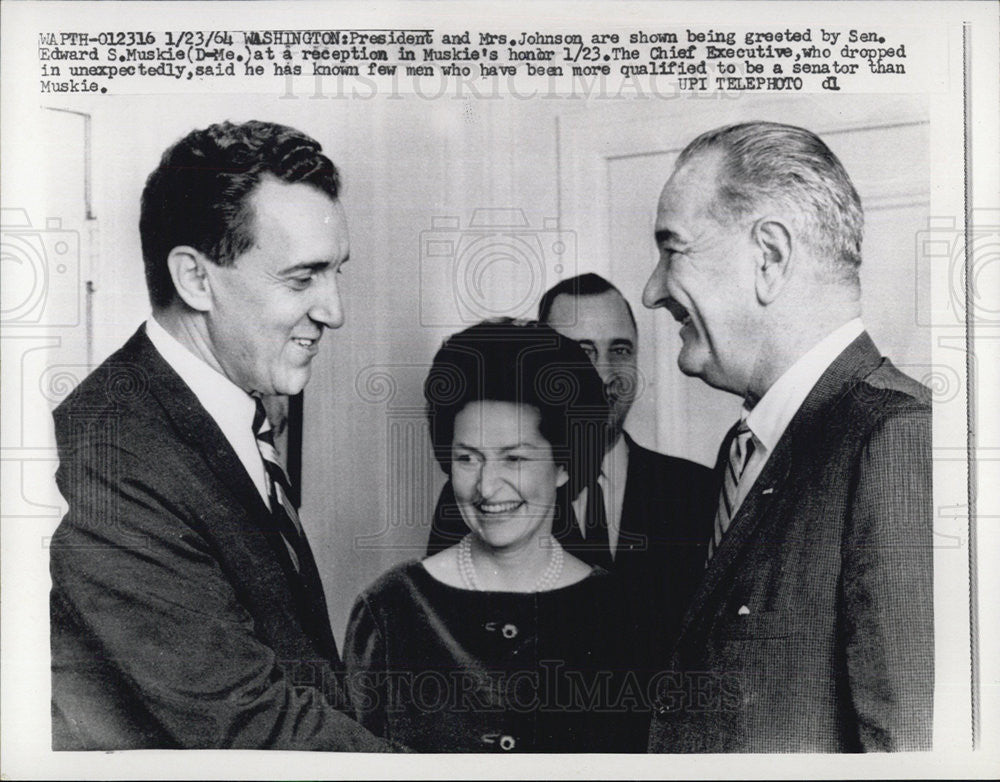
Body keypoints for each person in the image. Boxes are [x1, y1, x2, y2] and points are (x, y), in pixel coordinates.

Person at [49, 120, 394, 750]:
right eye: (302, 278)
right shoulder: (111, 456)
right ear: (195, 279)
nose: (335, 311)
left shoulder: (217, 412)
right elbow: (251, 725)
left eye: (337, 272)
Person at [641, 121, 933, 752]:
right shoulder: (746, 446)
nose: (653, 289)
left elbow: (910, 748)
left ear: (769, 258)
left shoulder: (899, 440)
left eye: (673, 249)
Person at [344, 320, 651, 752]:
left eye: (515, 458)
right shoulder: (390, 610)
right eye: (469, 459)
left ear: (564, 464)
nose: (487, 487)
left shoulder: (624, 615)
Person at [427, 275, 715, 648]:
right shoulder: (482, 496)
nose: (604, 374)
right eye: (581, 353)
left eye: (621, 350)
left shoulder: (696, 491)